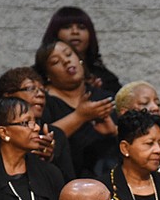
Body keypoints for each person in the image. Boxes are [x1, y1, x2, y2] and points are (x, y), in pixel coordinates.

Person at [0, 67, 76, 182]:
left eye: (42, 90)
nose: (40, 94)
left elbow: (68, 185)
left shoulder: (56, 135)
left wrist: (50, 159)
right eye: (30, 88)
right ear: (8, 96)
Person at [35, 40, 117, 177]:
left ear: (80, 60)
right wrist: (80, 116)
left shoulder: (105, 97)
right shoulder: (42, 103)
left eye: (68, 55)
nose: (66, 61)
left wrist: (114, 131)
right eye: (55, 61)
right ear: (47, 75)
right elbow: (39, 139)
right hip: (63, 182)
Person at [41, 6, 121, 93]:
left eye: (81, 27)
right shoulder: (37, 77)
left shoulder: (105, 79)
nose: (75, 32)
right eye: (67, 27)